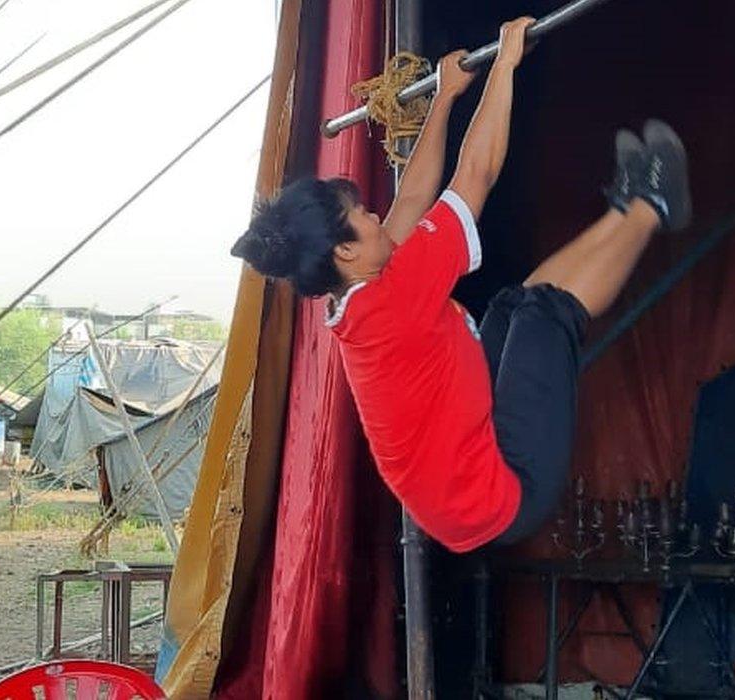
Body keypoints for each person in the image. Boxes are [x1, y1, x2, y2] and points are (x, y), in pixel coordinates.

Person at [231, 18, 691, 553]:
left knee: (512, 307)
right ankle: (652, 207)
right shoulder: (393, 300)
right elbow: (474, 178)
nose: (375, 214)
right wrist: (506, 65)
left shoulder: (360, 295)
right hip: (502, 495)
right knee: (545, 315)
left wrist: (446, 97)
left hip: (460, 493)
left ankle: (622, 212)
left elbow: (410, 201)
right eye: (360, 214)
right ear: (345, 250)